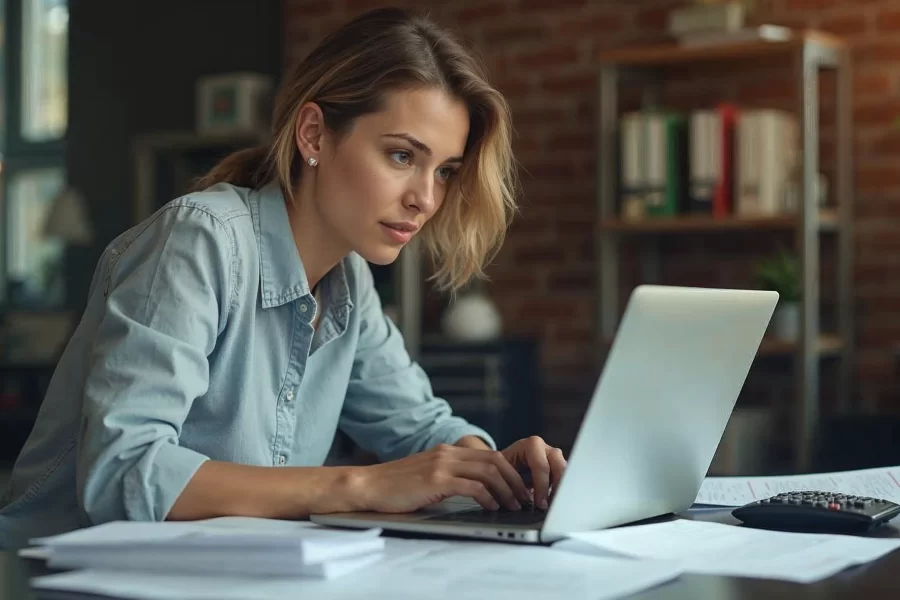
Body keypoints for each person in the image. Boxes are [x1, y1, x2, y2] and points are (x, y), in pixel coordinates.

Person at [0, 7, 567, 549]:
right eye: (401, 156)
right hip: (51, 579)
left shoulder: (349, 281)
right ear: (315, 135)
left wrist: (497, 469)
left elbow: (418, 425)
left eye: (444, 171)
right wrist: (361, 485)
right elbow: (123, 472)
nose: (425, 198)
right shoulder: (198, 240)